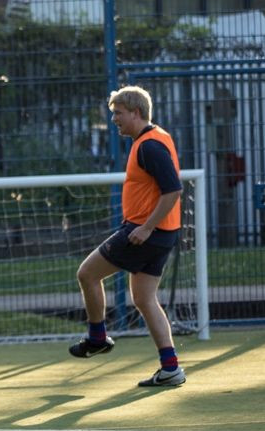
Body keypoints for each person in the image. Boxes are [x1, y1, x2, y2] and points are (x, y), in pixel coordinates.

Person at [70, 86, 186, 387]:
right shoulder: (155, 137)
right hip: (162, 232)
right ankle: (171, 367)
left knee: (87, 274)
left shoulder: (149, 146)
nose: (114, 120)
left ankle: (97, 338)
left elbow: (173, 190)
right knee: (145, 298)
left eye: (118, 114)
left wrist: (146, 227)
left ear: (136, 113)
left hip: (145, 232)